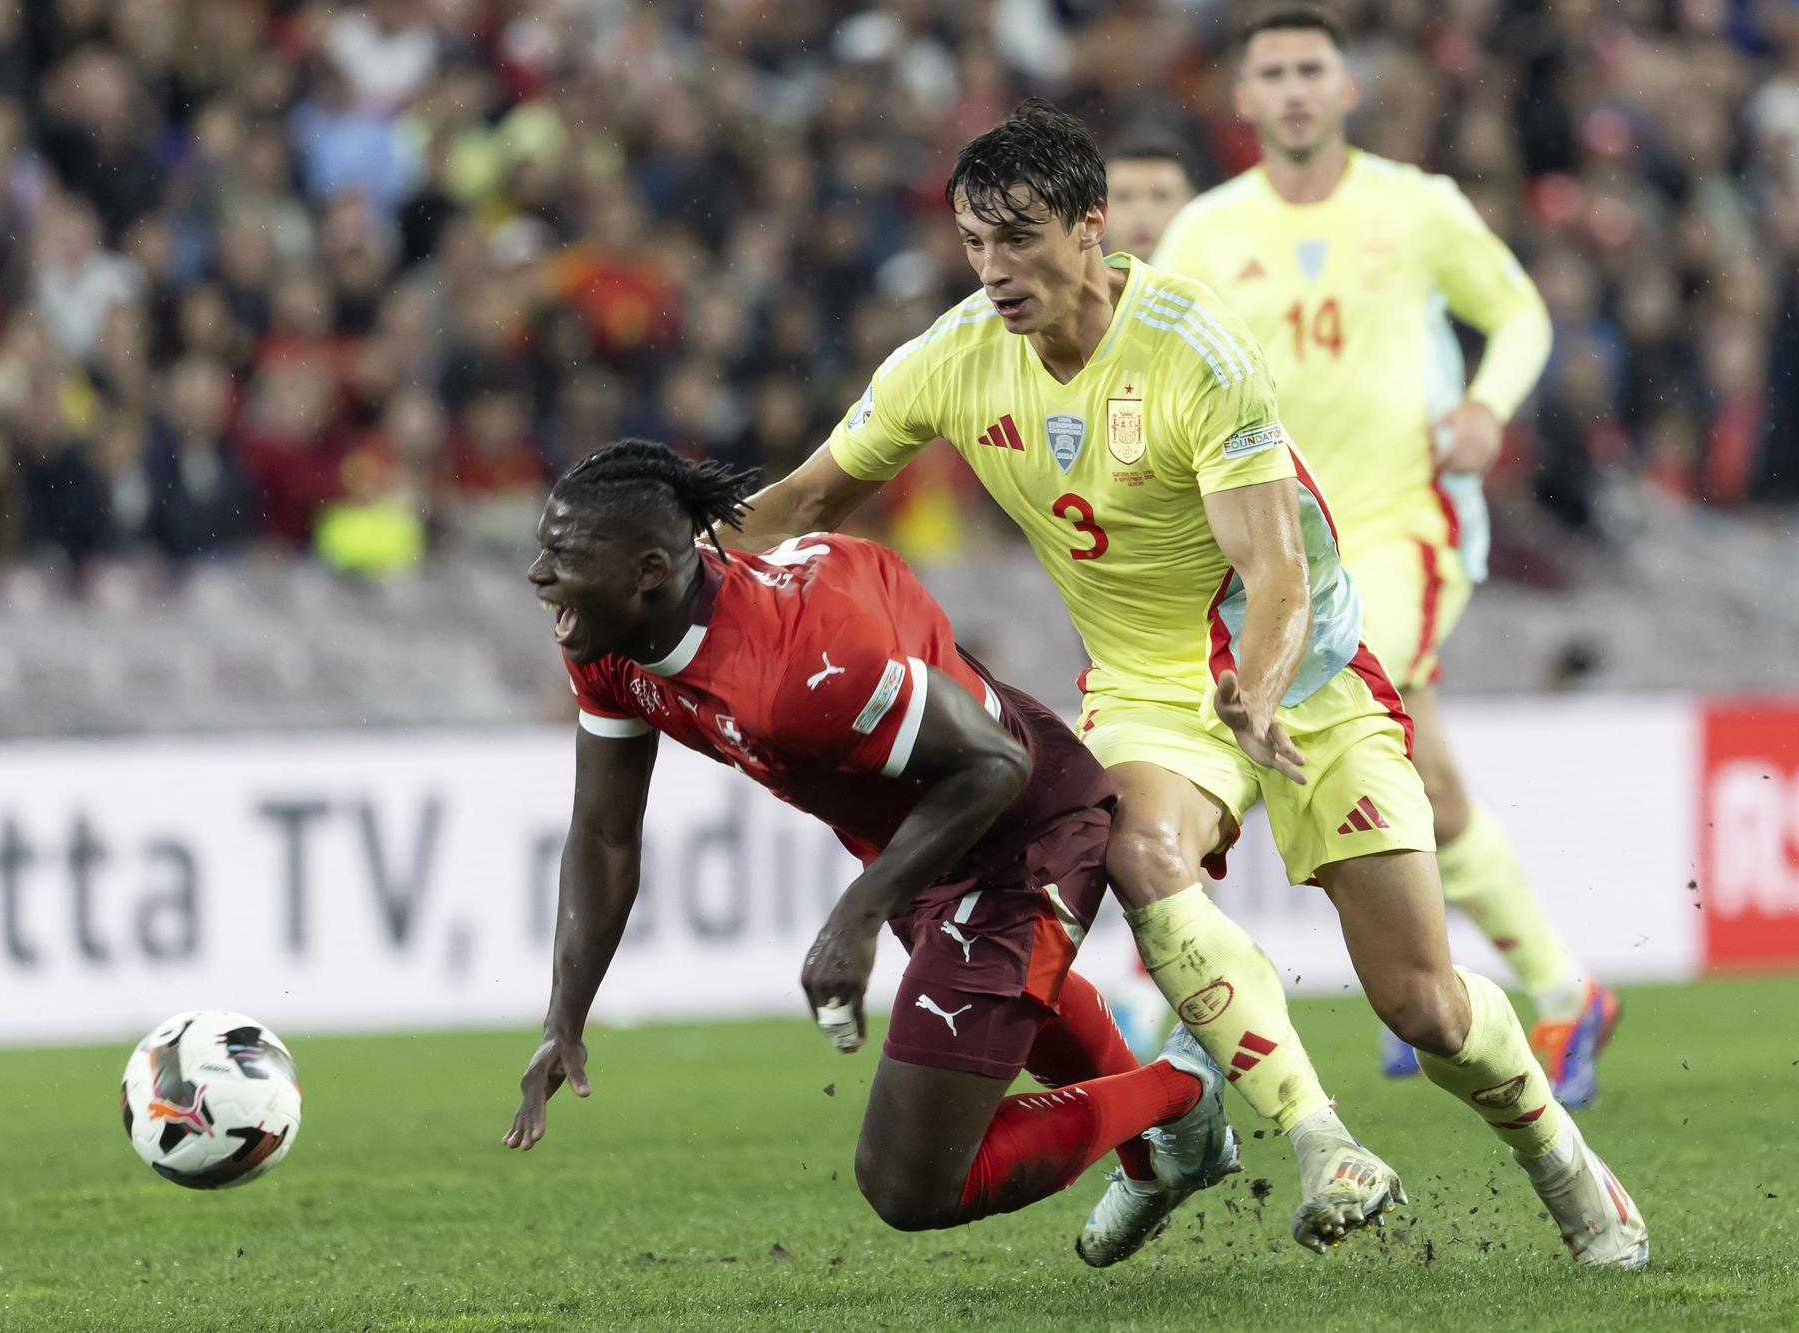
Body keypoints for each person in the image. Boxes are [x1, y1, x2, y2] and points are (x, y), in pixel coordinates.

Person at [736, 99, 1647, 1268]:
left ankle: (1560, 1162)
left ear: (1091, 229)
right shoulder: (949, 360)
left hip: (1305, 673)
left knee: (1420, 1005)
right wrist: (675, 580)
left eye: (1017, 237)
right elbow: (807, 500)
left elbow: (1273, 571)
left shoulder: (1189, 343)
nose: (992, 269)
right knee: (1138, 849)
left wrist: (1257, 691)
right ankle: (1316, 1138)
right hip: (1146, 691)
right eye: (973, 240)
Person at [504, 438, 1240, 1244]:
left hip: (1018, 830)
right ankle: (1153, 1156)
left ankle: (1183, 1089)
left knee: (909, 1180)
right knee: (1020, 1015)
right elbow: (605, 836)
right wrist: (563, 1017)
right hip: (928, 836)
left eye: (562, 556)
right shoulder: (611, 644)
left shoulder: (792, 673)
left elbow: (995, 763)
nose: (538, 576)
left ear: (649, 571)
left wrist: (855, 916)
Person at [1151, 7, 1617, 1106]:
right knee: (1425, 775)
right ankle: (1552, 985)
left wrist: (1486, 409)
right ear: (1244, 99)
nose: (1296, 88)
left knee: (1322, 704)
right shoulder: (1207, 233)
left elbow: (1516, 315)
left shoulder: (1413, 207)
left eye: (1313, 68)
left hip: (1404, 526)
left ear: (1345, 88)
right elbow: (1152, 359)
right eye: (1273, 72)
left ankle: (1205, 1025)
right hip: (1275, 544)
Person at [1104, 135, 1195, 263]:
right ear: (1095, 212)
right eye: (1123, 197)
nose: (1142, 212)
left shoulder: (1220, 281)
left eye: (1160, 196)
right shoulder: (1070, 282)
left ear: (1191, 205)